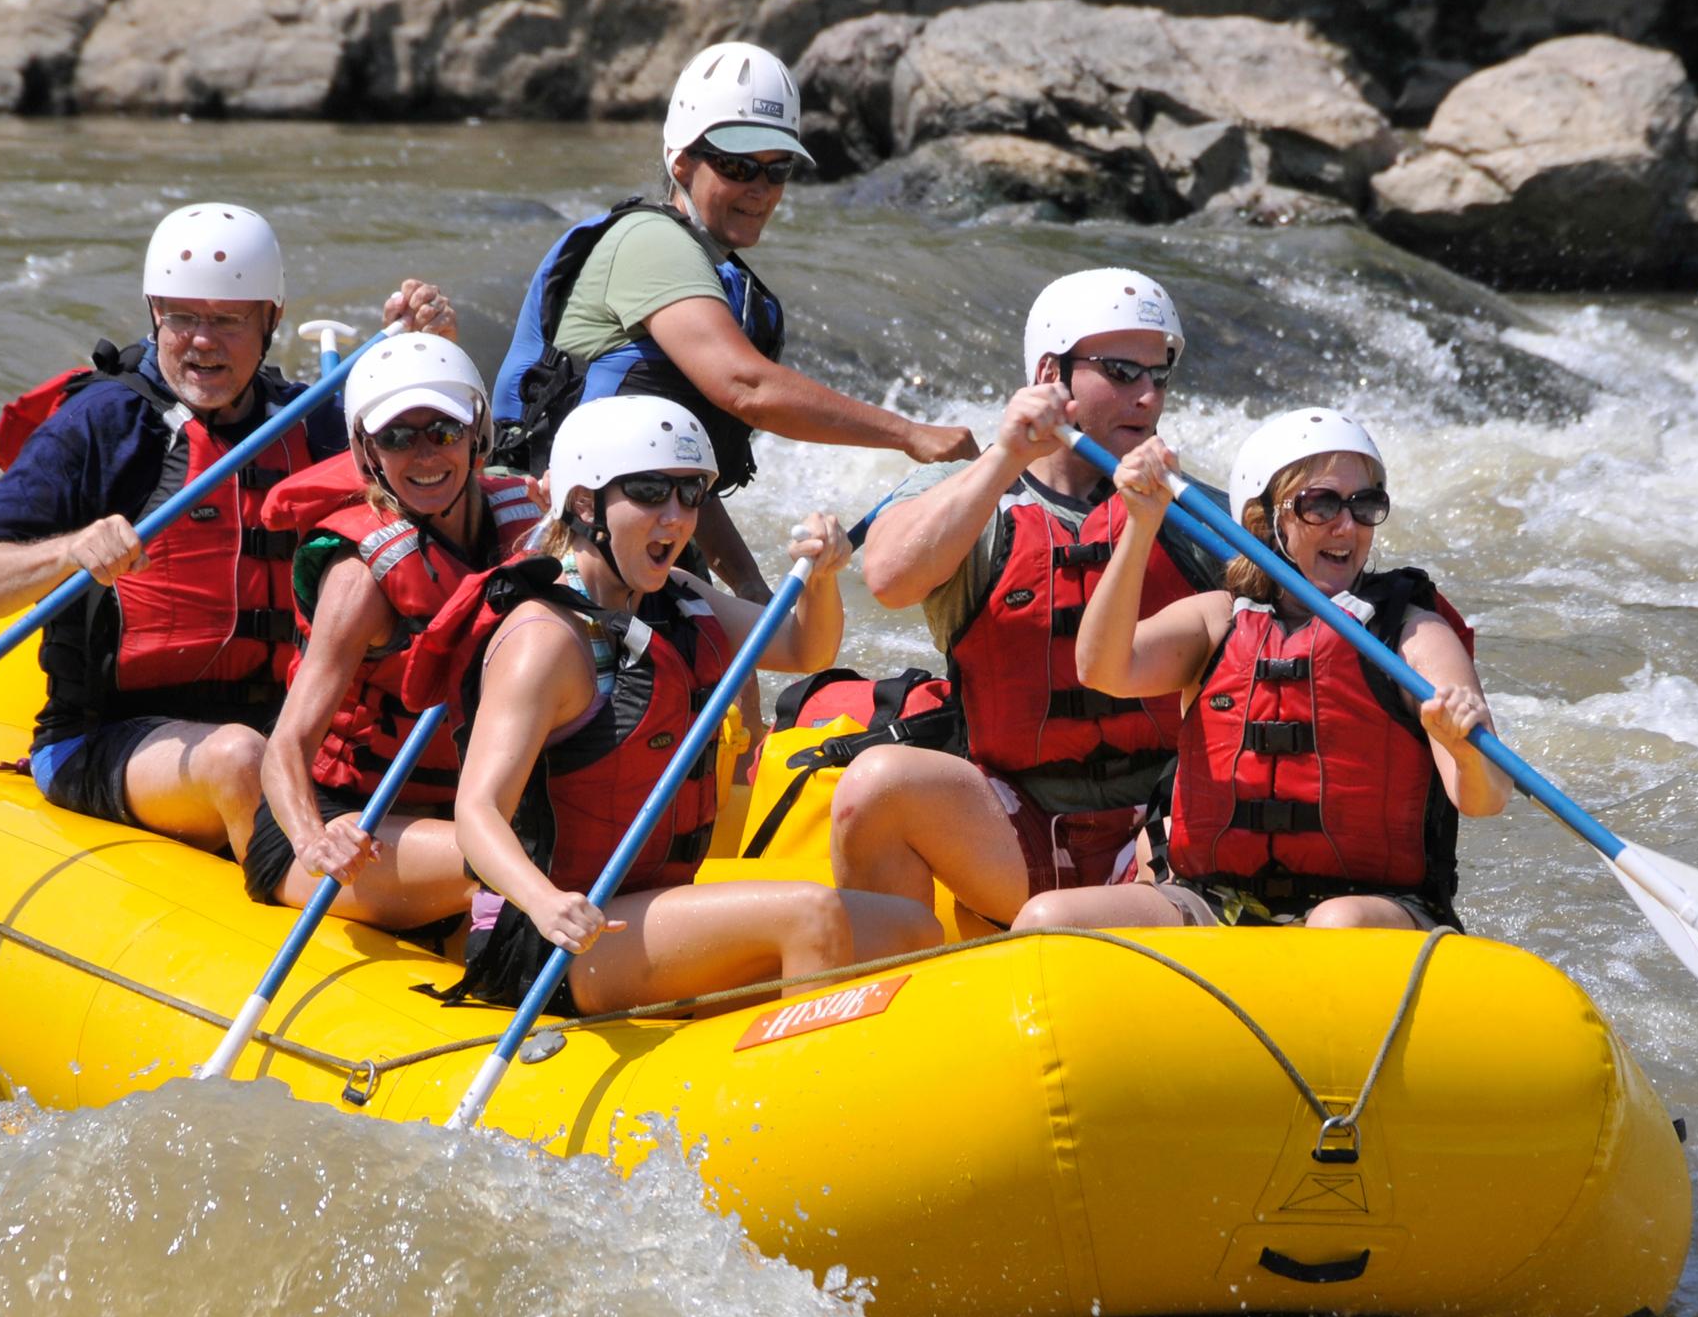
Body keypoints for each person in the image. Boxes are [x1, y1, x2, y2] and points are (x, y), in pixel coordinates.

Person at [402, 396, 943, 1016]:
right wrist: (546, 901)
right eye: (651, 492)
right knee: (812, 915)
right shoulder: (545, 639)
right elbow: (477, 812)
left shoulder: (674, 597)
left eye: (691, 494)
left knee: (906, 928)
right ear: (585, 504)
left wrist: (819, 580)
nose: (676, 517)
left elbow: (802, 647)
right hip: (550, 939)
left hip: (649, 907)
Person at [0, 199, 449, 855]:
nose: (202, 340)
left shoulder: (306, 420)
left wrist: (422, 357)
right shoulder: (103, 422)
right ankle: (283, 896)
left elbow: (435, 489)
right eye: (182, 317)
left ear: (271, 320)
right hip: (106, 735)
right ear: (156, 314)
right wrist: (72, 549)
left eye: (227, 320)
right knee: (239, 757)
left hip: (282, 729)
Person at [490, 40, 976, 602]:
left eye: (778, 169)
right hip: (557, 545)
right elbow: (745, 386)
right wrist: (910, 434)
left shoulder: (709, 272)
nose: (760, 189)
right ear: (681, 160)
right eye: (738, 165)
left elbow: (663, 472)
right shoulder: (650, 244)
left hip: (631, 540)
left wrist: (746, 582)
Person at [831, 268, 1228, 928]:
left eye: (1160, 377)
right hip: (1014, 821)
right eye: (1123, 372)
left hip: (1164, 823)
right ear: (1051, 372)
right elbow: (889, 577)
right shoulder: (977, 498)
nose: (1149, 398)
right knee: (876, 785)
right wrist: (1006, 455)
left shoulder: (1194, 511)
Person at [1014, 407, 1506, 934]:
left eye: (1365, 504)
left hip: (1373, 907)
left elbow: (1485, 797)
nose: (1347, 525)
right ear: (1262, 522)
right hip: (1216, 903)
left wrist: (1462, 748)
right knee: (1048, 917)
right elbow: (1100, 668)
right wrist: (1141, 524)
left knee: (1336, 925)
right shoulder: (1217, 620)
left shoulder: (1413, 635)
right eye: (1321, 504)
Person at [241, 332, 543, 932]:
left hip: (460, 808)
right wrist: (312, 840)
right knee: (518, 857)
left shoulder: (531, 522)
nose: (425, 455)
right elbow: (286, 747)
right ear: (367, 450)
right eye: (398, 438)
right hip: (353, 827)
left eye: (444, 431)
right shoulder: (361, 581)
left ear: (477, 431)